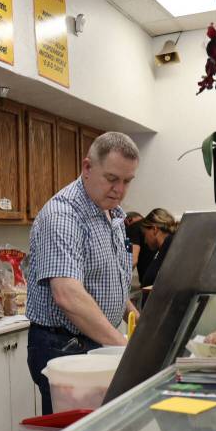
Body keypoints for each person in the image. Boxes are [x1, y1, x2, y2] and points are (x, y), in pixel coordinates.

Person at [26, 132, 141, 415]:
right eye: (112, 178)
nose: (119, 189)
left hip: (96, 342)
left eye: (127, 181)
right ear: (87, 167)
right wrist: (125, 350)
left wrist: (137, 320)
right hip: (65, 347)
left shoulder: (113, 213)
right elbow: (68, 295)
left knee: (105, 430)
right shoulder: (64, 215)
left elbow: (109, 280)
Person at [139, 208, 179, 290]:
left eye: (145, 234)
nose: (145, 241)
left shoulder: (171, 248)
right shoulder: (163, 249)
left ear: (154, 229)